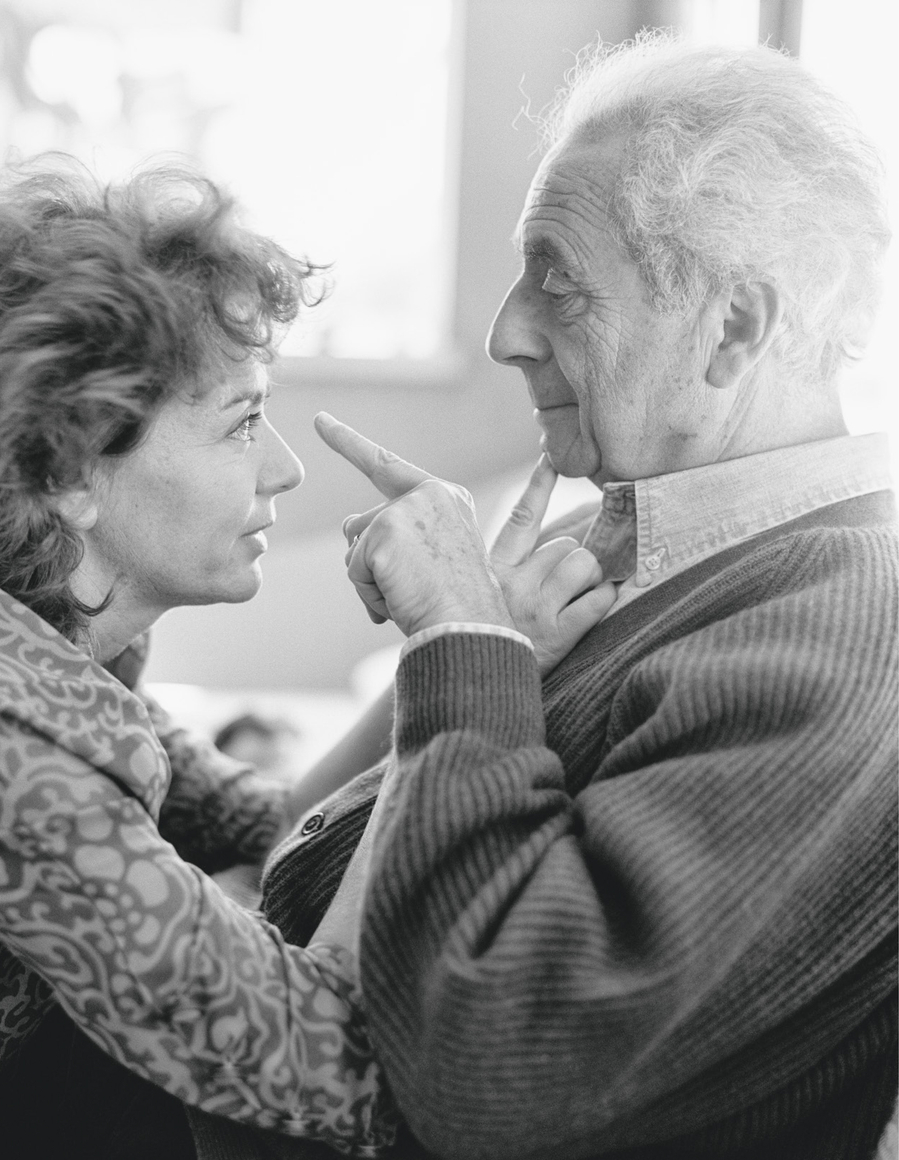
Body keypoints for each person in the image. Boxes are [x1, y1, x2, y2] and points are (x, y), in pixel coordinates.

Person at [261, 34, 898, 1160]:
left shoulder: (850, 627)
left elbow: (502, 1060)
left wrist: (466, 643)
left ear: (733, 327)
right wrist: (455, 647)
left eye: (558, 283)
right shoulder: (624, 529)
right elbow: (301, 848)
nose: (506, 333)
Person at [0, 156, 405, 1159]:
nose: (285, 467)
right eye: (242, 421)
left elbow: (270, 825)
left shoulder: (71, 646)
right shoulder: (24, 760)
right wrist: (464, 675)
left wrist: (444, 657)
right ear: (70, 466)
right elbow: (329, 1061)